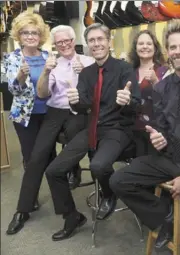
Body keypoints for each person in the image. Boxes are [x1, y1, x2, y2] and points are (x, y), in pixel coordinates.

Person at [109, 21, 180, 255]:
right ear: (167, 51)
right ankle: (165, 216)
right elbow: (161, 127)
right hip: (169, 158)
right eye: (173, 47)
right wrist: (159, 139)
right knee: (119, 180)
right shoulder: (161, 88)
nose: (178, 51)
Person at [44, 23, 140, 241]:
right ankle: (72, 217)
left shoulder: (124, 69)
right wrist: (75, 102)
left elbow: (137, 103)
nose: (96, 44)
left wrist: (128, 101)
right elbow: (84, 104)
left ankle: (109, 192)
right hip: (92, 127)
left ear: (109, 42)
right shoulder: (86, 73)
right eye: (92, 41)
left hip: (117, 129)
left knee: (98, 165)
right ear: (88, 45)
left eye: (100, 39)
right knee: (53, 171)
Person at [5, 25, 95, 235]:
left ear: (74, 41)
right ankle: (23, 209)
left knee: (59, 163)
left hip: (79, 113)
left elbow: (95, 94)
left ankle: (73, 175)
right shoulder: (51, 62)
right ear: (55, 44)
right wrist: (46, 71)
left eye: (67, 41)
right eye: (59, 42)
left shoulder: (89, 62)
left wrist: (84, 75)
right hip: (53, 112)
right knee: (36, 159)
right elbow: (43, 93)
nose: (64, 45)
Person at [4, 11, 50, 228]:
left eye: (34, 33)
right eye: (25, 33)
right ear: (19, 36)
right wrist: (20, 77)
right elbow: (12, 90)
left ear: (40, 35)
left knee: (49, 156)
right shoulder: (12, 58)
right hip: (25, 116)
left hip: (49, 115)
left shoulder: (47, 57)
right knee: (32, 160)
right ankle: (26, 205)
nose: (30, 36)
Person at [127, 29, 169, 157]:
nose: (145, 46)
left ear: (155, 48)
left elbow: (168, 100)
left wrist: (155, 82)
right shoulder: (129, 71)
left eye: (149, 44)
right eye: (141, 44)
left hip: (155, 130)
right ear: (135, 48)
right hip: (132, 128)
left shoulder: (164, 71)